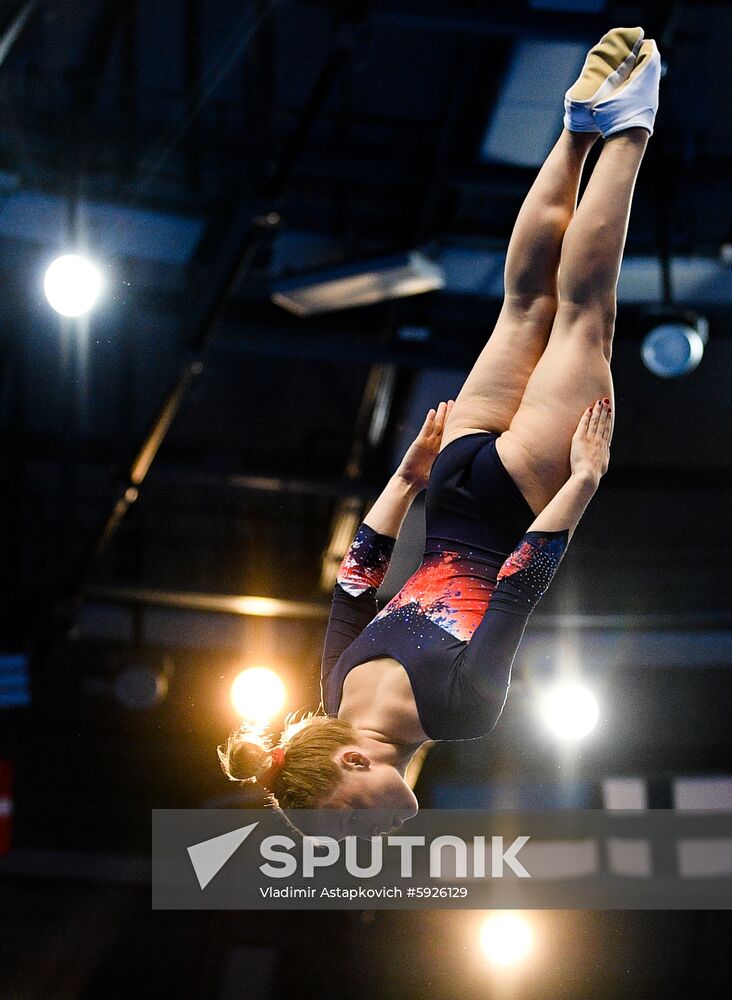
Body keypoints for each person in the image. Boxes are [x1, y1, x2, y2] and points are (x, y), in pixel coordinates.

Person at [217, 27, 661, 839]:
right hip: (453, 483)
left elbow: (521, 584)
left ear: (352, 764)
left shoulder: (458, 715)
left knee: (584, 311)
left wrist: (584, 482)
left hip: (524, 491)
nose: (374, 835)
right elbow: (357, 579)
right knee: (524, 301)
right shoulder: (334, 688)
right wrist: (408, 477)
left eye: (352, 826)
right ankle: (574, 128)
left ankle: (631, 120)